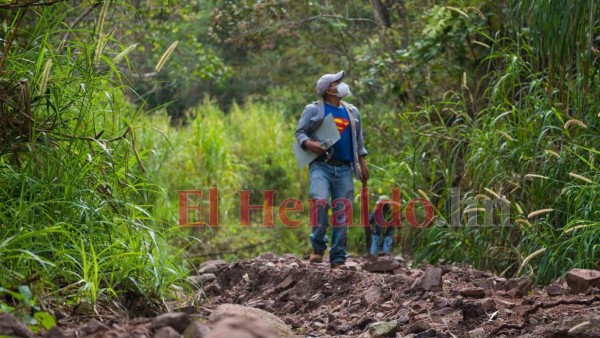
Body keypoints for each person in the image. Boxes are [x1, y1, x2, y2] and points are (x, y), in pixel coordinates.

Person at [295, 70, 369, 269]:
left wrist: (363, 165)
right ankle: (318, 247)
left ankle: (338, 258)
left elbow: (359, 142)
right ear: (328, 89)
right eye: (337, 82)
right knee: (319, 201)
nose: (341, 85)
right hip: (321, 165)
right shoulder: (314, 110)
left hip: (345, 168)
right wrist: (311, 145)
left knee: (342, 213)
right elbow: (300, 132)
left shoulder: (352, 112)